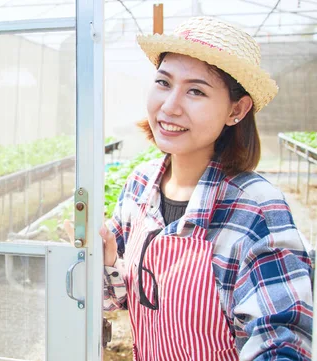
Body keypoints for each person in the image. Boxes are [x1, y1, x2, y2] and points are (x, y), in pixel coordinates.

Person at [101, 17, 313, 360]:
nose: (170, 106)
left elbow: (282, 340)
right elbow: (125, 298)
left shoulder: (256, 208)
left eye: (196, 90)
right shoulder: (139, 186)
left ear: (237, 109)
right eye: (163, 82)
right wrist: (108, 261)